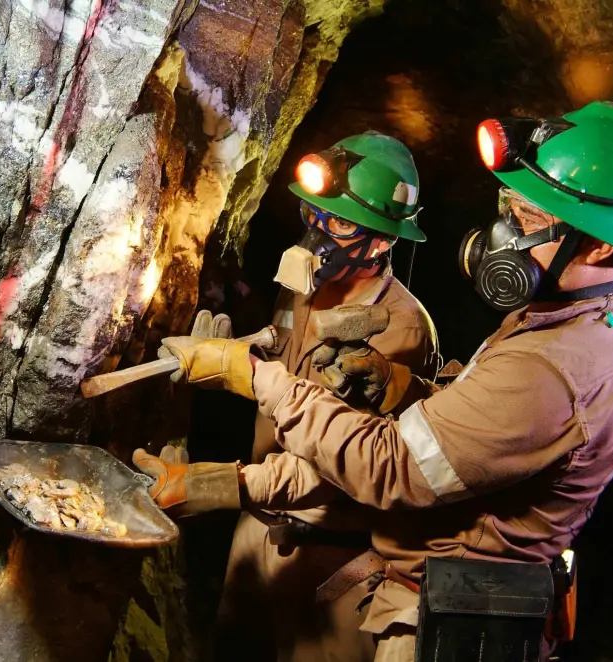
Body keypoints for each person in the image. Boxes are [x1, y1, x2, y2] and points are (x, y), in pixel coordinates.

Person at [134, 101, 613, 660]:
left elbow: (391, 467)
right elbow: (462, 432)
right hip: (391, 583)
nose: (501, 235)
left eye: (527, 220)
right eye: (508, 209)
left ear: (597, 244)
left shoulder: (551, 366)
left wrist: (249, 388)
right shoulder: (546, 327)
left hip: (425, 605)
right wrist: (402, 389)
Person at [200, 131, 439, 662]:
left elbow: (353, 465)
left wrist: (221, 484)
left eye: (342, 222)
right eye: (313, 212)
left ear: (381, 241)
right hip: (256, 534)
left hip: (330, 560)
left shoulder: (401, 327)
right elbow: (281, 376)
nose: (318, 231)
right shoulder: (300, 288)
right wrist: (225, 360)